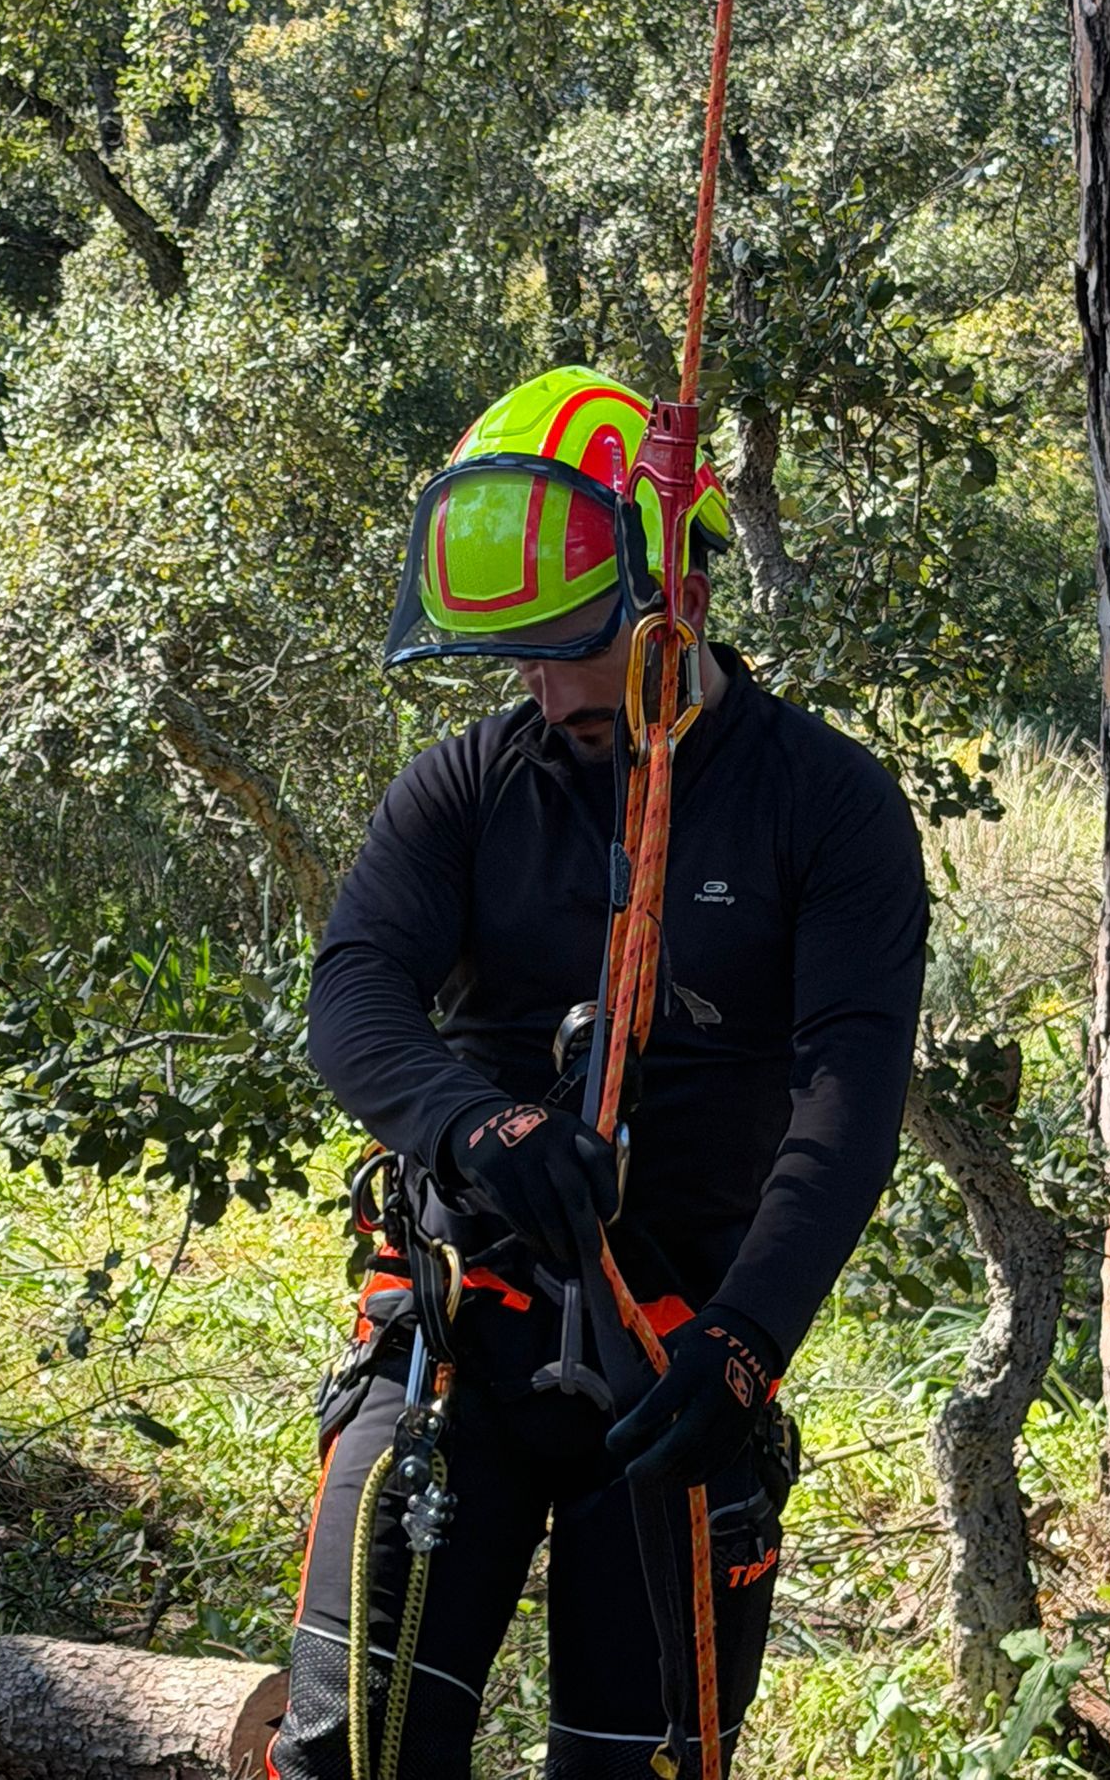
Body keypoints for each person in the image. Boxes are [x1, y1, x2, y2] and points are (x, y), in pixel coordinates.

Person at [268, 366, 928, 1780]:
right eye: (516, 655)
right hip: (463, 1338)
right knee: (349, 1754)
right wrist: (472, 1124)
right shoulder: (465, 787)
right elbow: (355, 995)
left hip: (679, 1355)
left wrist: (745, 1342)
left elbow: (849, 1096)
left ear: (675, 591)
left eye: (572, 643)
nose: (546, 688)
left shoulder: (828, 808)